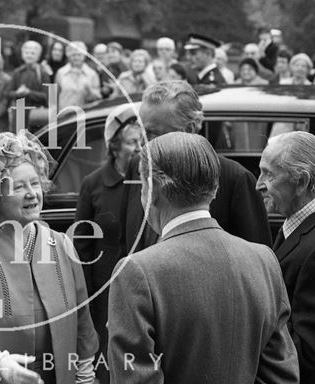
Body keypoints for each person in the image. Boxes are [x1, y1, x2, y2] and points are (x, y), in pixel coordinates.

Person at [108, 131, 299, 383]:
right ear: (215, 188)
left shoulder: (137, 271)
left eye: (142, 185)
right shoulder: (263, 260)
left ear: (152, 190)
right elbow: (281, 375)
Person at [0, 131, 98, 384]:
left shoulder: (63, 245)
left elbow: (83, 324)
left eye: (35, 183)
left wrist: (85, 377)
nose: (32, 193)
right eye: (19, 187)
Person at [119, 81, 271, 255]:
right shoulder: (137, 166)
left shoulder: (234, 179)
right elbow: (124, 243)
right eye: (141, 131)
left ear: (189, 129)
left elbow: (256, 262)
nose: (142, 142)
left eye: (152, 133)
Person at [73, 104, 140, 384]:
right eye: (132, 142)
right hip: (105, 289)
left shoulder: (149, 180)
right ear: (114, 146)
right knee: (107, 359)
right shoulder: (93, 183)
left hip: (142, 282)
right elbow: (82, 244)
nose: (139, 149)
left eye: (142, 142)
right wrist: (85, 297)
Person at [256, 132, 315, 383]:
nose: (258, 183)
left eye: (268, 174)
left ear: (301, 182)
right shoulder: (296, 227)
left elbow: (308, 352)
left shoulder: (314, 248)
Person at [7, 41, 51, 132]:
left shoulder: (43, 73)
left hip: (37, 115)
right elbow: (8, 93)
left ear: (38, 56)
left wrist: (29, 93)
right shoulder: (17, 72)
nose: (29, 55)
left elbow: (46, 96)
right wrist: (17, 93)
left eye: (33, 53)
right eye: (26, 53)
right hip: (19, 114)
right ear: (22, 55)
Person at [55, 41, 101, 110]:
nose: (76, 58)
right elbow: (55, 96)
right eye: (73, 55)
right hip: (64, 116)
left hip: (85, 116)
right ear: (68, 56)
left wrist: (89, 90)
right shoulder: (61, 72)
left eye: (79, 55)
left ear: (84, 56)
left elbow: (98, 99)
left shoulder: (92, 74)